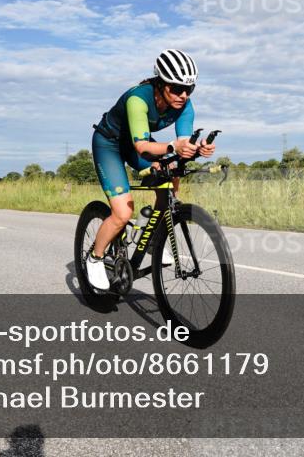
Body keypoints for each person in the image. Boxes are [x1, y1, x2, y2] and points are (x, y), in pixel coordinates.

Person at [86, 49, 215, 290]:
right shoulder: (138, 98)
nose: (183, 95)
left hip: (139, 145)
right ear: (160, 83)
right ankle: (95, 257)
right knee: (123, 213)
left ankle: (153, 234)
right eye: (176, 88)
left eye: (190, 89)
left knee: (171, 179)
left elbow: (183, 144)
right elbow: (142, 146)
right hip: (109, 144)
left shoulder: (185, 105)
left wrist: (197, 150)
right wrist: (170, 146)